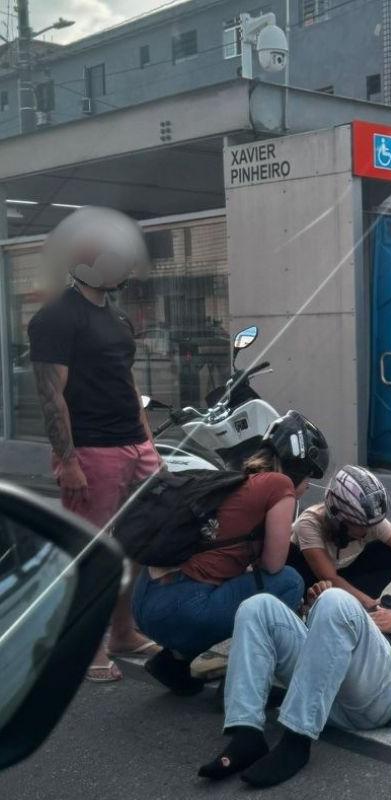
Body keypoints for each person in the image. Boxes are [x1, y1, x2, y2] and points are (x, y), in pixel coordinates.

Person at [28, 206, 161, 683]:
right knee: (93, 553)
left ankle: (123, 632)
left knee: (135, 545)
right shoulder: (55, 318)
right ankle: (86, 647)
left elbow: (126, 382)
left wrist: (148, 442)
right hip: (91, 452)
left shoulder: (118, 318)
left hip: (132, 446)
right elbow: (51, 396)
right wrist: (67, 460)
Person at [197, 583, 391, 787]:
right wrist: (314, 610)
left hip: (386, 695)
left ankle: (296, 740)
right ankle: (247, 734)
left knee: (337, 601)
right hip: (330, 694)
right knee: (258, 606)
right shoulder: (384, 604)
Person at [132, 410, 328, 696]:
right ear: (297, 466)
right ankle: (242, 683)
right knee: (288, 581)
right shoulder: (279, 485)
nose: (308, 484)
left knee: (235, 582)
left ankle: (172, 662)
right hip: (179, 608)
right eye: (308, 475)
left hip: (144, 599)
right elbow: (273, 564)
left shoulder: (239, 477)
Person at [288, 465, 391, 607]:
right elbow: (329, 577)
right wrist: (372, 606)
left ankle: (358, 602)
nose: (369, 530)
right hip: (311, 578)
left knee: (390, 554)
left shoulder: (370, 520)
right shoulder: (309, 523)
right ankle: (307, 607)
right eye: (361, 526)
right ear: (338, 519)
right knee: (295, 565)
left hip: (340, 573)